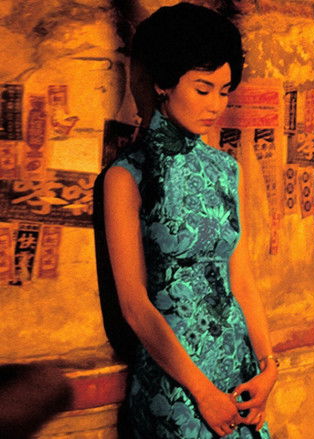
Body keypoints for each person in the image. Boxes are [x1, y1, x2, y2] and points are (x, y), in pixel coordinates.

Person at [103, 3, 277, 437]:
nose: (215, 105)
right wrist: (202, 393)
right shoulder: (128, 176)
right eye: (203, 89)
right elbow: (134, 306)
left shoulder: (225, 170)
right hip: (176, 387)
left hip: (238, 374)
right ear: (163, 82)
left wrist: (268, 366)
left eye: (224, 91)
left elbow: (240, 279)